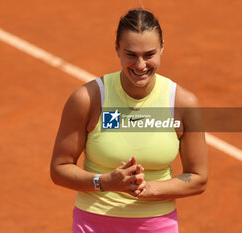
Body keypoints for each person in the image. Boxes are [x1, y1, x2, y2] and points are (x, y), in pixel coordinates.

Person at [50, 8, 208, 233]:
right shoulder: (88, 99)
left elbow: (198, 178)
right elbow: (59, 168)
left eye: (149, 54)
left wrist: (150, 188)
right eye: (131, 54)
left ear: (163, 47)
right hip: (95, 223)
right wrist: (103, 182)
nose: (140, 65)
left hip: (157, 225)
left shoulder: (182, 104)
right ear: (117, 49)